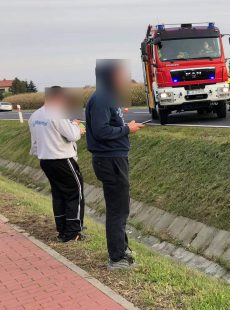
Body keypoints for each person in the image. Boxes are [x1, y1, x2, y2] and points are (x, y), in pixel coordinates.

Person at [85, 60, 145, 271]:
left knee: (121, 208)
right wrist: (127, 130)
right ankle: (117, 258)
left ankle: (122, 249)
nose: (124, 77)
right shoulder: (101, 98)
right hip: (109, 160)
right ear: (109, 76)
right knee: (117, 210)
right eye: (120, 74)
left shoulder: (108, 96)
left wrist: (125, 126)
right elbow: (101, 131)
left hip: (114, 158)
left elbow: (108, 125)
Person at [29, 86, 86, 242]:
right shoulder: (57, 114)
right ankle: (74, 231)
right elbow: (73, 135)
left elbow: (34, 143)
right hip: (63, 158)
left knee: (59, 195)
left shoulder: (34, 116)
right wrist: (76, 126)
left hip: (45, 160)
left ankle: (62, 229)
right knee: (75, 192)